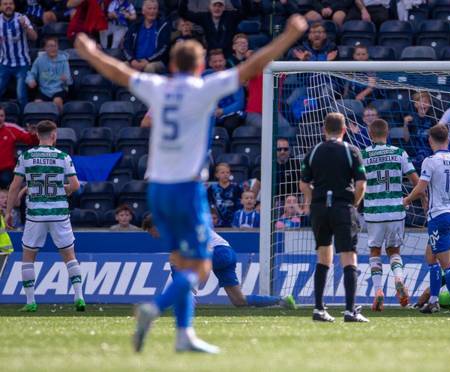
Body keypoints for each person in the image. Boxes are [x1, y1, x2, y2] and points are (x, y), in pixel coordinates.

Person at [73, 13, 308, 353]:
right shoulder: (203, 88)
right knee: (198, 266)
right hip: (186, 188)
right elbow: (251, 67)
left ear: (171, 64)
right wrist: (287, 36)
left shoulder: (158, 86)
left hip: (156, 190)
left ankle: (184, 334)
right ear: (200, 67)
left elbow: (119, 73)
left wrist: (90, 51)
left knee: (182, 262)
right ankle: (154, 308)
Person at [4, 120, 85, 313]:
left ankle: (31, 301)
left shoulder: (26, 156)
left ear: (38, 136)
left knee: (28, 257)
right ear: (54, 135)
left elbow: (15, 186)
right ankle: (79, 296)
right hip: (59, 213)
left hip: (35, 215)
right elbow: (75, 186)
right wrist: (62, 190)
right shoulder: (63, 157)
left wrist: (8, 212)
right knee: (69, 256)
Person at [141, 214, 297, 308]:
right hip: (227, 252)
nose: (152, 235)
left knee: (174, 259)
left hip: (218, 252)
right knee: (239, 300)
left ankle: (186, 297)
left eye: (150, 231)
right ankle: (282, 300)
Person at [299, 112, 368, 323]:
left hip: (320, 209)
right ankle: (349, 310)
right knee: (348, 256)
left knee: (323, 256)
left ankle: (319, 309)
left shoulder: (314, 151)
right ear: (344, 130)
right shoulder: (350, 151)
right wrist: (354, 203)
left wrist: (312, 201)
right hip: (342, 207)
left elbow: (304, 183)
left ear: (324, 130)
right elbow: (361, 184)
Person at [403, 124, 450, 314]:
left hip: (438, 217)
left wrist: (407, 200)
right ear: (448, 139)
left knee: (446, 263)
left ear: (430, 140)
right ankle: (433, 301)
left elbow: (421, 188)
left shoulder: (430, 161)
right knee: (430, 256)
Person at [361, 119, 424, 311]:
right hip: (396, 211)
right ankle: (398, 280)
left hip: (373, 213)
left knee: (374, 252)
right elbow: (417, 182)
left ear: (370, 134)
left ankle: (378, 291)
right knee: (394, 252)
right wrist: (419, 199)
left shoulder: (363, 155)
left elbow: (357, 183)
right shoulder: (399, 153)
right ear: (387, 133)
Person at [178, 0, 254, 56]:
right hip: (211, 55)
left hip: (228, 55)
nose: (217, 8)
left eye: (220, 6)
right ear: (210, 7)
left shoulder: (230, 16)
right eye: (214, 5)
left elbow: (247, 11)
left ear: (224, 8)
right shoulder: (204, 17)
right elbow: (183, 13)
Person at [0, 0, 38, 109]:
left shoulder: (22, 18)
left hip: (22, 63)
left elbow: (34, 37)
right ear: (1, 7)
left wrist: (25, 27)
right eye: (5, 4)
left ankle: (24, 121)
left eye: (10, 4)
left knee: (21, 95)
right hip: (4, 63)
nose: (8, 6)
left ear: (14, 6)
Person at [122, 0, 171, 73]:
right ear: (143, 11)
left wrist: (148, 60)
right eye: (149, 8)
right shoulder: (135, 26)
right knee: (122, 66)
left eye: (155, 9)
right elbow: (126, 45)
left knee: (149, 68)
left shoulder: (163, 26)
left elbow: (163, 48)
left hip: (156, 62)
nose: (152, 11)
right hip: (136, 60)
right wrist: (132, 60)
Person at [205, 49, 246, 135]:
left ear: (224, 61)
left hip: (232, 113)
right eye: (215, 61)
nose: (218, 64)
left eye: (220, 61)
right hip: (212, 113)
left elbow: (239, 103)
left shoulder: (233, 77)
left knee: (229, 125)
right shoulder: (205, 76)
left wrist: (223, 111)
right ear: (210, 63)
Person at [26, 37, 73, 112]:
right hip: (44, 90)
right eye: (49, 46)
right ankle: (42, 122)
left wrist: (66, 79)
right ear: (45, 48)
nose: (52, 48)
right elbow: (31, 74)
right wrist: (30, 80)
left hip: (59, 89)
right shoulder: (40, 60)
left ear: (58, 47)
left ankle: (59, 120)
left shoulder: (63, 60)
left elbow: (69, 80)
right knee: (37, 103)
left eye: (54, 46)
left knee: (57, 101)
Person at [0, 107, 38, 188]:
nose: (0, 118)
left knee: (5, 180)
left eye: (1, 116)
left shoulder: (11, 128)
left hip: (6, 169)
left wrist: (33, 134)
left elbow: (31, 141)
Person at [402, 91, 434, 169]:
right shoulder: (411, 119)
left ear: (429, 105)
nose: (423, 104)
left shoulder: (433, 120)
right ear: (415, 104)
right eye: (421, 102)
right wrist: (405, 124)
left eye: (426, 102)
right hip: (413, 154)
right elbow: (406, 139)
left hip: (428, 156)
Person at [208, 162, 243, 227]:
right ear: (217, 175)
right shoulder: (212, 188)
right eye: (222, 172)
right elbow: (209, 204)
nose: (225, 174)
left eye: (227, 172)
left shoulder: (236, 187)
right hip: (217, 223)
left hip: (233, 222)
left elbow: (241, 204)